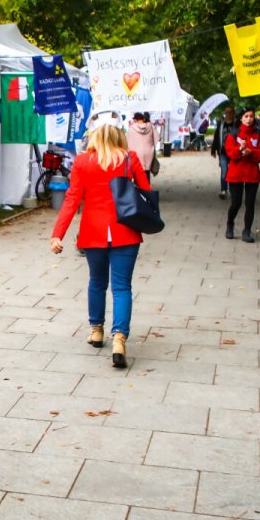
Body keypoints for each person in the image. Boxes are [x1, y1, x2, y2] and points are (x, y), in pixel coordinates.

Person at [50, 121, 151, 368]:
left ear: (95, 138)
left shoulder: (83, 162)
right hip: (125, 231)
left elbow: (72, 199)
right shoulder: (130, 159)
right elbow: (146, 191)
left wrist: (57, 234)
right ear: (119, 138)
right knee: (122, 286)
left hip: (93, 232)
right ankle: (119, 339)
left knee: (96, 282)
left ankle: (96, 331)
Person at [223, 107, 260, 242]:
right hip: (236, 174)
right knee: (236, 203)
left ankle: (247, 231)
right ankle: (230, 223)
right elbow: (230, 152)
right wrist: (240, 149)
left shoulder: (259, 135)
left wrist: (251, 152)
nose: (249, 119)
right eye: (246, 116)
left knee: (250, 203)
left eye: (251, 116)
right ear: (241, 118)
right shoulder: (233, 134)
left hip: (252, 174)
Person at [210, 105, 236, 198]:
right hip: (223, 152)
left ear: (233, 114)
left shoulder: (236, 125)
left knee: (234, 172)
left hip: (234, 152)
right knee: (224, 171)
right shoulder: (221, 125)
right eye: (227, 112)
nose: (228, 114)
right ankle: (224, 189)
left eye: (230, 112)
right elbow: (216, 138)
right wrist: (213, 150)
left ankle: (234, 190)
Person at [128, 111, 158, 176]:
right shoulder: (151, 126)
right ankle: (147, 185)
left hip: (136, 154)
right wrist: (151, 145)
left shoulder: (131, 128)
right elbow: (157, 138)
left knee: (138, 176)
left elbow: (128, 142)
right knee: (147, 173)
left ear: (135, 119)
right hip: (149, 153)